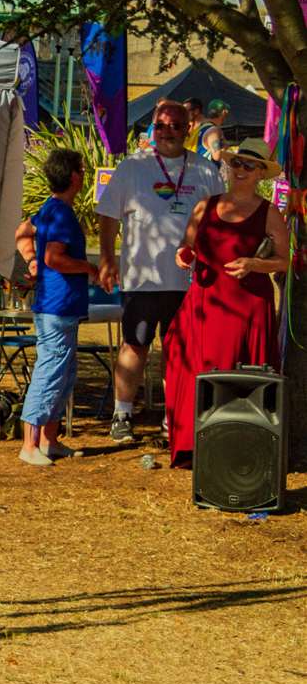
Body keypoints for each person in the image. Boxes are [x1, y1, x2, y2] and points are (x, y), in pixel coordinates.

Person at [97, 100, 223, 442]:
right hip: (142, 277)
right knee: (134, 344)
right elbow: (108, 215)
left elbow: (218, 219)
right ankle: (122, 414)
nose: (168, 132)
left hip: (188, 281)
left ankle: (175, 417)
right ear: (153, 128)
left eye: (176, 126)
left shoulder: (204, 170)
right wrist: (107, 258)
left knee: (178, 350)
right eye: (161, 126)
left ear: (188, 130)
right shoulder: (132, 168)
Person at [164, 138, 289, 465]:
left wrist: (253, 264)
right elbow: (187, 244)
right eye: (237, 163)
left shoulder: (269, 213)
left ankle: (236, 450)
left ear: (262, 173)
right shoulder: (205, 205)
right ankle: (194, 445)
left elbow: (284, 261)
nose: (242, 170)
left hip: (247, 306)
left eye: (250, 165)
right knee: (193, 368)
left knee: (238, 375)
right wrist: (183, 253)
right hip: (205, 304)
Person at [16, 148, 99, 467]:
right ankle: (29, 444)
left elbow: (21, 232)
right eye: (81, 168)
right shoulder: (61, 214)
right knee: (50, 371)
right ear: (75, 176)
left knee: (64, 373)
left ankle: (49, 440)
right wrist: (88, 269)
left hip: (57, 305)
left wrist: (31, 261)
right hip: (58, 305)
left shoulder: (50, 208)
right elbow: (55, 258)